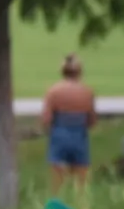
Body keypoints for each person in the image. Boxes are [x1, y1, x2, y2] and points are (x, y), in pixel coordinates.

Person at [40, 53, 96, 196]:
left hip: (59, 134)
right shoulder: (87, 92)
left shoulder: (53, 91)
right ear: (79, 72)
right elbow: (92, 120)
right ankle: (80, 205)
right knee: (81, 180)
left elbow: (46, 119)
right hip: (79, 135)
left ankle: (58, 204)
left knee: (57, 181)